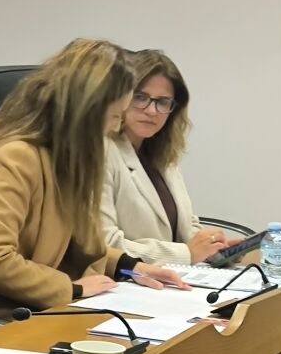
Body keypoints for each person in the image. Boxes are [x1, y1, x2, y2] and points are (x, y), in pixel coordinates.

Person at [0, 39, 189, 320]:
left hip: (49, 309)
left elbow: (85, 245)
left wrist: (133, 268)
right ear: (85, 110)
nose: (115, 126)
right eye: (114, 115)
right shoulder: (15, 158)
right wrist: (72, 289)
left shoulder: (72, 160)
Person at [101, 49, 235, 265]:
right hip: (127, 279)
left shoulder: (163, 154)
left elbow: (186, 225)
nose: (152, 111)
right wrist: (186, 253)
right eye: (140, 97)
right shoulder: (102, 153)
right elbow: (105, 244)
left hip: (174, 276)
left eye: (163, 102)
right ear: (121, 98)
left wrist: (211, 248)